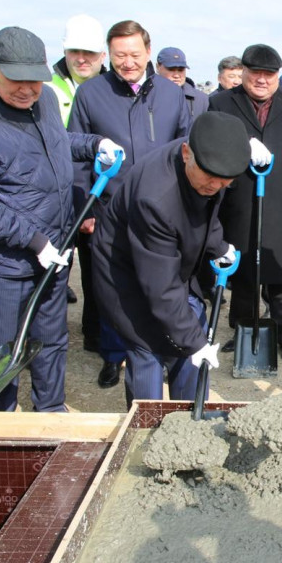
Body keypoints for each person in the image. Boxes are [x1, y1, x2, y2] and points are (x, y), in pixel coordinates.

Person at [0, 26, 101, 411]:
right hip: (4, 263)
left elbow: (57, 142)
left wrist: (95, 144)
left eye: (35, 80)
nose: (28, 90)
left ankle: (51, 408)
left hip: (54, 251)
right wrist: (34, 240)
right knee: (4, 350)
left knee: (51, 339)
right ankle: (4, 418)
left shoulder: (45, 100)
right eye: (17, 80)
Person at [92, 111, 251, 406]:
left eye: (224, 181)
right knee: (148, 349)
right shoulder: (155, 199)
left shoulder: (208, 157)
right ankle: (146, 423)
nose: (215, 186)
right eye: (210, 177)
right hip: (127, 273)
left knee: (188, 343)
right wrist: (195, 343)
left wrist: (218, 246)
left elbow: (203, 212)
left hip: (166, 263)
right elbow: (161, 287)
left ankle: (189, 420)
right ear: (186, 153)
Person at [68, 20, 191, 388]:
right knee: (114, 291)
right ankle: (112, 355)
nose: (128, 62)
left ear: (148, 52)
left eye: (135, 54)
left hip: (163, 213)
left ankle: (164, 352)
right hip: (110, 212)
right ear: (109, 55)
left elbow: (187, 148)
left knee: (162, 285)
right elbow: (76, 155)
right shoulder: (90, 93)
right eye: (119, 55)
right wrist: (85, 207)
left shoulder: (171, 94)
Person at [210, 43, 282, 363]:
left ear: (278, 76)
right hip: (239, 201)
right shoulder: (221, 102)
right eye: (255, 72)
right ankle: (243, 329)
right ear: (243, 71)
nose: (261, 79)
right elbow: (212, 142)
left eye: (269, 74)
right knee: (243, 273)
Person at [52, 14, 108, 334]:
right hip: (52, 197)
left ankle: (94, 333)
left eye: (90, 52)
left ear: (102, 54)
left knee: (95, 268)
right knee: (54, 269)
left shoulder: (112, 90)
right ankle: (50, 334)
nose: (82, 58)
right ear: (65, 50)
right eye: (75, 51)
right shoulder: (47, 88)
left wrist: (88, 205)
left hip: (94, 196)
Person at [156, 46, 209, 121]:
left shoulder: (202, 100)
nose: (176, 75)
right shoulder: (146, 97)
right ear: (157, 67)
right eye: (171, 69)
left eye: (181, 70)